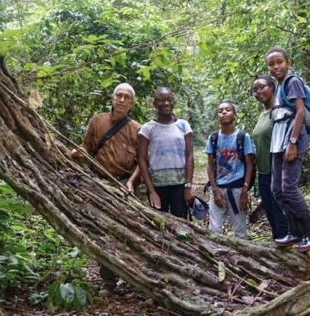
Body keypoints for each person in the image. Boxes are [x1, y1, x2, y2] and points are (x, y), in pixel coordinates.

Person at [71, 82, 141, 294]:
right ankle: (108, 281)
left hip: (123, 185)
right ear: (112, 99)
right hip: (98, 182)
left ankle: (129, 273)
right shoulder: (97, 121)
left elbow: (142, 162)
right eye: (118, 95)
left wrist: (130, 182)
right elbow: (86, 146)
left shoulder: (137, 129)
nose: (121, 100)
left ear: (131, 103)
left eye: (126, 97)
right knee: (102, 230)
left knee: (123, 231)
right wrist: (78, 152)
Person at [265, 46, 310, 252]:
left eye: (279, 62)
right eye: (271, 64)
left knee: (289, 187)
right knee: (277, 190)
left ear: (288, 63)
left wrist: (293, 142)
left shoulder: (293, 82)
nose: (276, 66)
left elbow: (299, 113)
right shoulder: (278, 87)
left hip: (291, 141)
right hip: (278, 143)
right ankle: (295, 231)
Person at [137, 87, 194, 218]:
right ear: (154, 103)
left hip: (179, 185)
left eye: (169, 100)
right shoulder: (148, 128)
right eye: (161, 100)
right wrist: (151, 190)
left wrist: (188, 186)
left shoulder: (183, 125)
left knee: (181, 222)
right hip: (157, 186)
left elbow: (189, 155)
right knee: (159, 223)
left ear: (174, 102)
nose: (166, 103)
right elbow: (141, 159)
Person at [205, 101, 254, 239]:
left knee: (240, 231)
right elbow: (210, 165)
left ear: (235, 115)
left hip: (237, 189)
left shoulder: (243, 137)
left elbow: (249, 164)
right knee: (214, 229)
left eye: (228, 110)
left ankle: (242, 258)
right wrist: (214, 189)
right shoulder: (213, 138)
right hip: (218, 188)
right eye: (220, 111)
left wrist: (245, 190)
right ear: (217, 117)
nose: (224, 112)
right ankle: (217, 257)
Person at [251, 74, 288, 240]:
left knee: (281, 215)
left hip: (277, 171)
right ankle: (278, 250)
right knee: (272, 216)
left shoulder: (278, 112)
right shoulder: (263, 114)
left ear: (272, 87)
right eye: (255, 90)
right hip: (263, 173)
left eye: (262, 87)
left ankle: (291, 255)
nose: (259, 92)